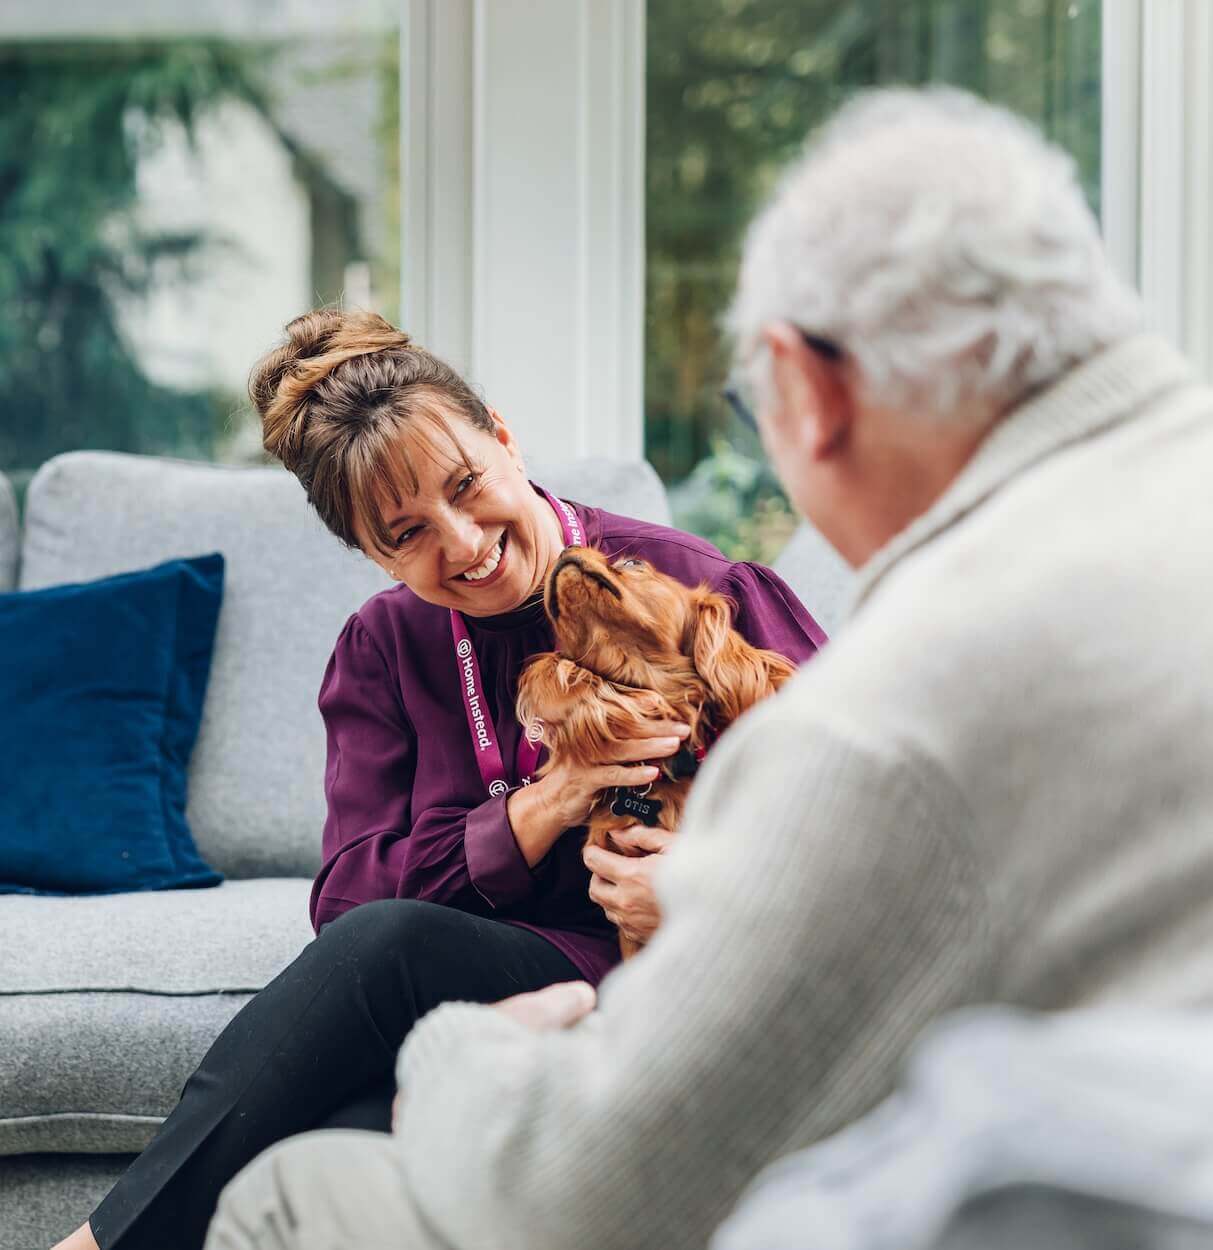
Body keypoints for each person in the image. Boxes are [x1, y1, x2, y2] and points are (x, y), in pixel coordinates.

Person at [204, 85, 1213, 1250]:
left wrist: (457, 1052)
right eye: (404, 534)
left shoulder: (896, 704)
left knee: (289, 1191)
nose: (463, 545)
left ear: (809, 390)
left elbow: (601, 1183)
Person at [52, 312, 825, 1250]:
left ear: (503, 436)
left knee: (367, 1057)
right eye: (407, 534)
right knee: (339, 1128)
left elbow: (857, 818)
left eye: (467, 488)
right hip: (490, 980)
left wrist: (708, 898)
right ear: (370, 554)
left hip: (672, 970)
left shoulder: (692, 585)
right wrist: (542, 803)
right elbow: (346, 904)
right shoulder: (385, 648)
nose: (462, 545)